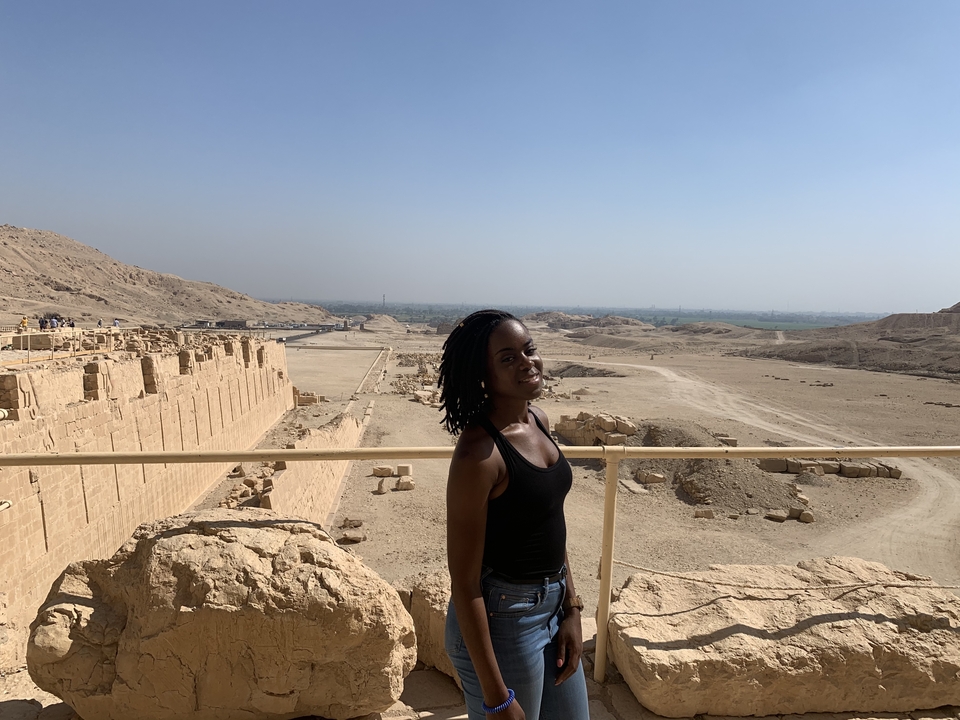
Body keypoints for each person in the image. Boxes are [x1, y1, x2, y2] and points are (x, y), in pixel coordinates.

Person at [439, 309, 589, 720]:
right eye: (508, 358)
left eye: (529, 350)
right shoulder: (478, 455)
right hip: (505, 621)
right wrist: (496, 697)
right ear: (483, 375)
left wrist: (572, 610)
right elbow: (465, 582)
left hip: (554, 606)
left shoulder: (539, 419)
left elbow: (549, 523)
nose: (526, 362)